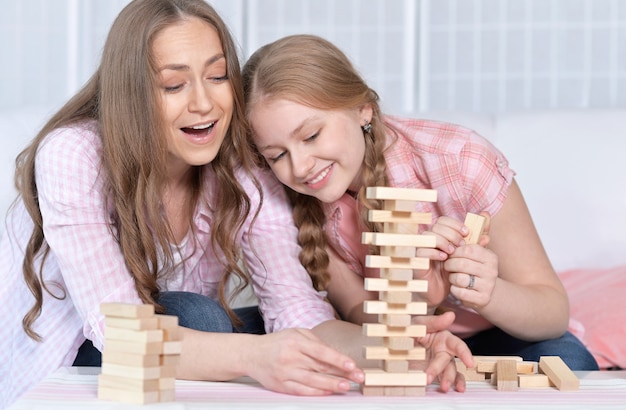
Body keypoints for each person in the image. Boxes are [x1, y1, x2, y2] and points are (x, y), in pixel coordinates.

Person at [0, 2, 472, 408]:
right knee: (200, 317)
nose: (204, 103)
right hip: (71, 362)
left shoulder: (244, 173)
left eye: (219, 76)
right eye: (173, 85)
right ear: (133, 94)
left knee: (254, 325)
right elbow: (117, 332)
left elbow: (298, 313)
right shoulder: (74, 154)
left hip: (171, 355)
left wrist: (395, 348)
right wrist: (255, 356)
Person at [241, 34, 599, 371]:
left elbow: (553, 311)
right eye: (276, 155)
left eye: (312, 135)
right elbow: (355, 309)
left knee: (569, 360)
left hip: (499, 335)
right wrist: (416, 302)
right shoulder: (294, 197)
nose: (300, 166)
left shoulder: (461, 160)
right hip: (395, 339)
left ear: (363, 109)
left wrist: (483, 292)